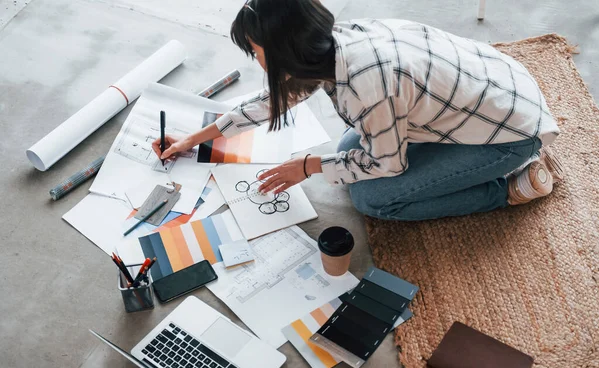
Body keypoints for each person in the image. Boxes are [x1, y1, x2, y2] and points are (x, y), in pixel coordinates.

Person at [153, 0, 564, 221]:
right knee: (349, 149)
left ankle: (507, 190)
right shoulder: (333, 43)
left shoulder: (367, 85)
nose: (255, 61)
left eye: (256, 52)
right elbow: (270, 102)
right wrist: (194, 138)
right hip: (499, 91)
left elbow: (388, 164)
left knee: (374, 199)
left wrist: (309, 166)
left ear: (284, 52)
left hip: (509, 134)